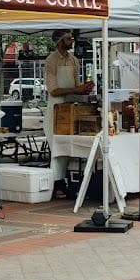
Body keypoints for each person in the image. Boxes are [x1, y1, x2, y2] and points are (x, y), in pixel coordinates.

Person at [45, 30, 94, 195]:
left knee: (69, 147)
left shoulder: (74, 60)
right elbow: (53, 91)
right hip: (56, 109)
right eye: (67, 38)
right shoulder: (51, 61)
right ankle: (56, 183)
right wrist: (77, 89)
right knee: (57, 148)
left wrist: (84, 89)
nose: (71, 40)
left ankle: (70, 181)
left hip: (71, 107)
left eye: (71, 38)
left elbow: (75, 88)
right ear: (59, 41)